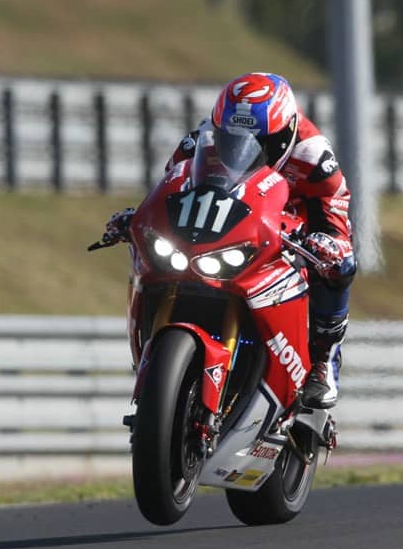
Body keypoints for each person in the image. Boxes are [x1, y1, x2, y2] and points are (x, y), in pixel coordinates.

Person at [100, 72, 355, 408]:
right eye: (232, 139)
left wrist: (329, 245)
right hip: (229, 228)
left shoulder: (315, 157)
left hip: (291, 231)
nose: (241, 149)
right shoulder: (199, 143)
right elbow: (173, 190)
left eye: (260, 143)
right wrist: (139, 218)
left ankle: (323, 362)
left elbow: (335, 220)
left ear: (285, 133)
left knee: (340, 267)